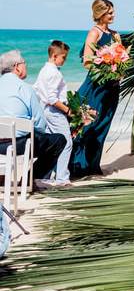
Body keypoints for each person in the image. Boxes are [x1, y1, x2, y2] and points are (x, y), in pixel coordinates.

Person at [69, 0, 120, 178]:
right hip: (96, 86)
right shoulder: (94, 33)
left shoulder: (115, 35)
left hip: (112, 88)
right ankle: (78, 166)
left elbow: (122, 57)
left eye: (113, 12)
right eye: (109, 12)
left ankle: (93, 165)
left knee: (104, 124)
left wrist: (119, 69)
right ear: (100, 13)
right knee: (89, 124)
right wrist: (105, 68)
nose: (113, 15)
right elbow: (87, 61)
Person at [0, 50, 66, 182]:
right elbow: (40, 124)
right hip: (17, 144)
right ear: (17, 67)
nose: (26, 66)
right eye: (24, 63)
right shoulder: (24, 88)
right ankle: (29, 180)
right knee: (58, 140)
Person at [33, 41, 72, 186]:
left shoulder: (44, 70)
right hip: (54, 111)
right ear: (55, 56)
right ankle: (62, 178)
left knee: (51, 143)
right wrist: (68, 110)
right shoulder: (54, 73)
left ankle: (44, 176)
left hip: (44, 111)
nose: (65, 61)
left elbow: (36, 90)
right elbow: (52, 99)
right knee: (66, 142)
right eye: (64, 57)